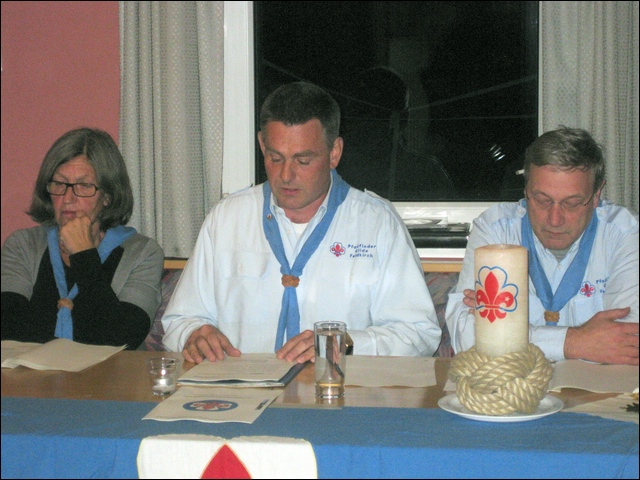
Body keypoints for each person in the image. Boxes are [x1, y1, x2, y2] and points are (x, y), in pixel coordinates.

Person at [162, 81, 442, 364]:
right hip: (242, 387)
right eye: (275, 158)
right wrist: (193, 334)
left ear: (334, 153)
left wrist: (343, 343)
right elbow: (179, 321)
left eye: (303, 160)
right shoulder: (226, 219)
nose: (286, 175)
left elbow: (419, 334)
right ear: (262, 145)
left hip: (338, 386)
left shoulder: (377, 223)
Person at [445, 127, 639, 365]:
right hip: (512, 382)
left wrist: (510, 335)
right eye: (542, 200)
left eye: (572, 203)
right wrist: (573, 342)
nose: (554, 219)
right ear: (526, 190)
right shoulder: (495, 231)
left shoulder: (625, 234)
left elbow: (629, 343)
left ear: (597, 195)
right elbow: (467, 339)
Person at [1, 127, 164, 349]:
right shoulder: (23, 246)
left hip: (110, 372)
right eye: (59, 184)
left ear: (107, 196)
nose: (68, 198)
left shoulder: (143, 253)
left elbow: (122, 339)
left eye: (84, 186)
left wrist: (83, 254)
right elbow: (8, 331)